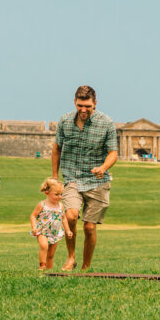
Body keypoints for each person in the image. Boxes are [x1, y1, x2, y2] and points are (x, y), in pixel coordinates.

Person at [51, 85, 118, 271]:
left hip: (98, 181)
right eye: (80, 105)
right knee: (70, 216)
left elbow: (113, 153)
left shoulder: (107, 123)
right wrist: (56, 177)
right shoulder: (64, 121)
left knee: (89, 227)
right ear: (75, 102)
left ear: (95, 104)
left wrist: (103, 167)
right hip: (72, 177)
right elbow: (57, 149)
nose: (83, 110)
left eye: (87, 106)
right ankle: (71, 257)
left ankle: (86, 267)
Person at [29, 178, 72, 271]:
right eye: (56, 194)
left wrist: (68, 230)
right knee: (44, 246)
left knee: (51, 254)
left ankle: (48, 271)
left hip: (55, 232)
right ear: (47, 193)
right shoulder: (42, 205)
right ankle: (42, 265)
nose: (59, 197)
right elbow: (33, 216)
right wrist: (34, 228)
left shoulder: (61, 206)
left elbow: (64, 218)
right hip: (42, 231)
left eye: (61, 194)